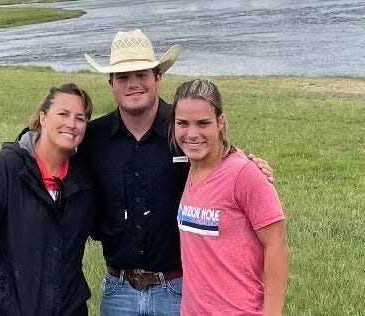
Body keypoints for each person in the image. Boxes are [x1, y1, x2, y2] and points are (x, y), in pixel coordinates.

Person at [82, 29, 274, 315]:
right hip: (118, 290)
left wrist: (252, 165)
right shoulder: (93, 139)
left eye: (142, 74)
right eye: (123, 77)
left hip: (178, 287)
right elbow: (53, 154)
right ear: (111, 83)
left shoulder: (185, 129)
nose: (133, 84)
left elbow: (223, 160)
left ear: (158, 77)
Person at [0, 83, 95, 316]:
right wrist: (6, 300)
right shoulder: (6, 166)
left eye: (80, 118)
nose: (71, 124)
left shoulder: (83, 179)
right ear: (42, 117)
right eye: (63, 114)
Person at [169, 79, 289, 315]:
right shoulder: (191, 167)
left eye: (203, 123)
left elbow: (277, 245)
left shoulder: (244, 173)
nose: (192, 134)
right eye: (183, 123)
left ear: (220, 122)